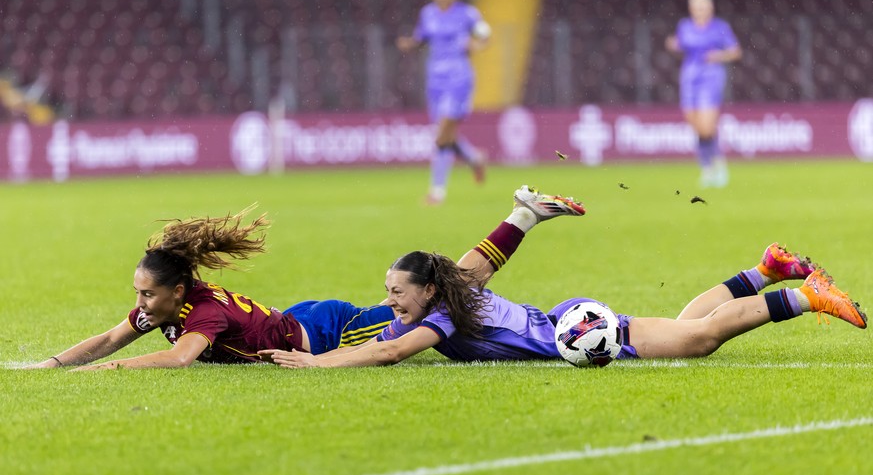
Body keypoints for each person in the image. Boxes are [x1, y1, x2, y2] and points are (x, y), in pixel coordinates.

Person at [23, 188, 585, 370]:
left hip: (326, 332)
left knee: (447, 294)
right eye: (138, 294)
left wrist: (109, 371)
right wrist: (53, 365)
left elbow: (177, 359)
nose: (140, 303)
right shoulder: (166, 306)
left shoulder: (202, 313)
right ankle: (522, 217)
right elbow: (110, 336)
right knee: (447, 289)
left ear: (176, 291)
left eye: (147, 293)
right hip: (300, 318)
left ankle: (521, 218)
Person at [260, 241, 866, 368]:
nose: (388, 301)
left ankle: (804, 295)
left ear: (427, 292)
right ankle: (764, 270)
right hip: (564, 320)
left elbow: (390, 352)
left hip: (571, 332)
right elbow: (381, 340)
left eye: (397, 292)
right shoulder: (451, 295)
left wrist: (316, 363)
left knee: (697, 340)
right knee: (687, 328)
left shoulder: (440, 317)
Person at [396, 0, 491, 205]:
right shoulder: (427, 14)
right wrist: (410, 44)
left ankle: (437, 192)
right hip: (435, 80)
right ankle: (474, 158)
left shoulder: (467, 13)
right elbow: (421, 39)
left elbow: (485, 37)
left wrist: (475, 45)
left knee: (443, 133)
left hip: (459, 77)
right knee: (446, 134)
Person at [665, 0, 742, 189]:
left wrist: (719, 56)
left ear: (710, 8)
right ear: (691, 9)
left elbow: (735, 52)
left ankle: (717, 164)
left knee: (707, 126)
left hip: (711, 77)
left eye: (703, 6)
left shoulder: (720, 27)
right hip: (690, 77)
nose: (700, 10)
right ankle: (707, 168)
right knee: (695, 124)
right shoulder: (684, 26)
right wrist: (673, 44)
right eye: (696, 7)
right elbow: (680, 45)